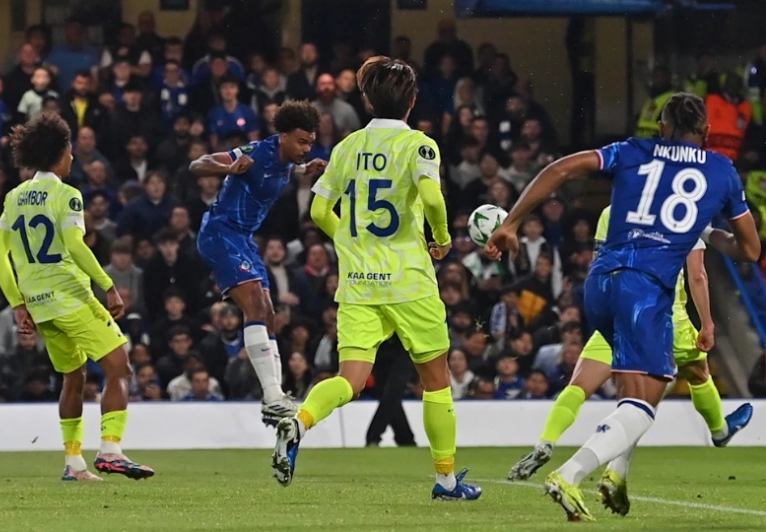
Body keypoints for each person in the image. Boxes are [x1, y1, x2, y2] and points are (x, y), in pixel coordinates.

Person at [485, 93, 760, 521]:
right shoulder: (721, 170)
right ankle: (570, 474)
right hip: (644, 291)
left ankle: (616, 475)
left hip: (599, 283)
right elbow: (749, 249)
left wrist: (510, 223)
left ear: (661, 129)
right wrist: (708, 233)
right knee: (645, 403)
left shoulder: (632, 150)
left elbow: (560, 169)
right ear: (706, 133)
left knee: (634, 394)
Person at [271, 56, 481, 501]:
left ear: (367, 102)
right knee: (436, 379)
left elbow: (319, 211)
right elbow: (432, 198)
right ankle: (446, 480)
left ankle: (300, 421)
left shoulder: (347, 147)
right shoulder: (420, 146)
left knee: (350, 379)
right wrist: (442, 238)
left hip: (360, 282)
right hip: (409, 281)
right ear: (412, 101)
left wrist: (351, 242)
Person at [507, 205, 755, 513]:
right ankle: (716, 432)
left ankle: (548, 441)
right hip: (663, 318)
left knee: (580, 387)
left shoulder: (610, 212)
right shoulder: (681, 212)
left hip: (615, 312)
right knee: (677, 384)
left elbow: (598, 265)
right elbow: (697, 275)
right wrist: (707, 323)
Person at [0, 113, 154, 482]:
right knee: (119, 364)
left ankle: (73, 463)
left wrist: (17, 304)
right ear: (60, 153)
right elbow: (75, 245)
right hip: (70, 295)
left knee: (73, 376)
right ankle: (110, 450)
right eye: (70, 151)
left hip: (39, 305)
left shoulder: (14, 198)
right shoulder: (67, 195)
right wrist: (108, 284)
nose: (73, 157)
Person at [189, 101, 327, 426]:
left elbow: (281, 170)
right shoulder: (257, 152)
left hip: (244, 239)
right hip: (220, 233)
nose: (306, 148)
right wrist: (228, 168)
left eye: (310, 142)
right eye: (301, 142)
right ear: (283, 136)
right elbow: (198, 164)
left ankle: (274, 398)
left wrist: (304, 169)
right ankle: (272, 397)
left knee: (267, 312)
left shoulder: (285, 162)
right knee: (254, 303)